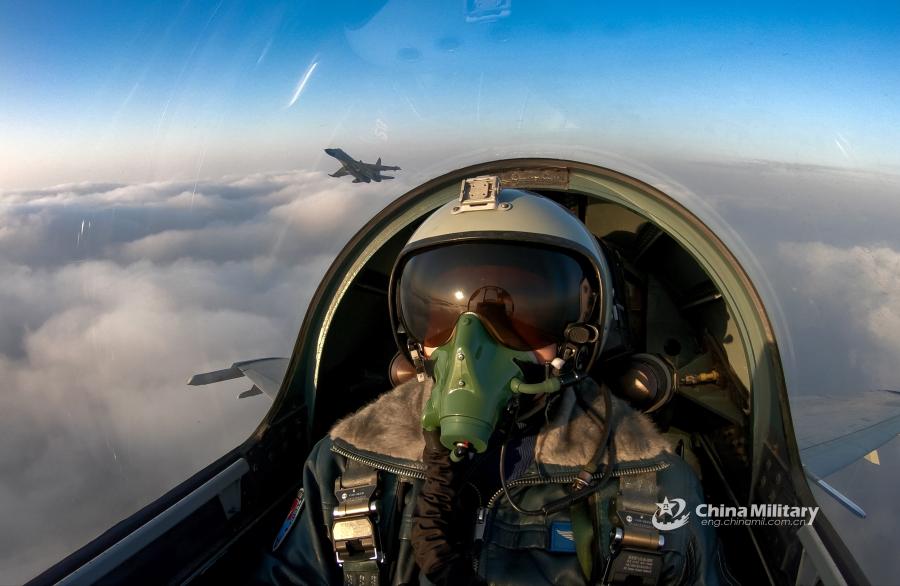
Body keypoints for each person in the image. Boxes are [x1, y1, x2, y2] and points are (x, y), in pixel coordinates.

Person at [256, 177, 730, 585]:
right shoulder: (345, 467)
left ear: (582, 334)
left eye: (522, 316)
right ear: (412, 336)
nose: (469, 346)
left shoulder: (650, 483)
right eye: (443, 316)